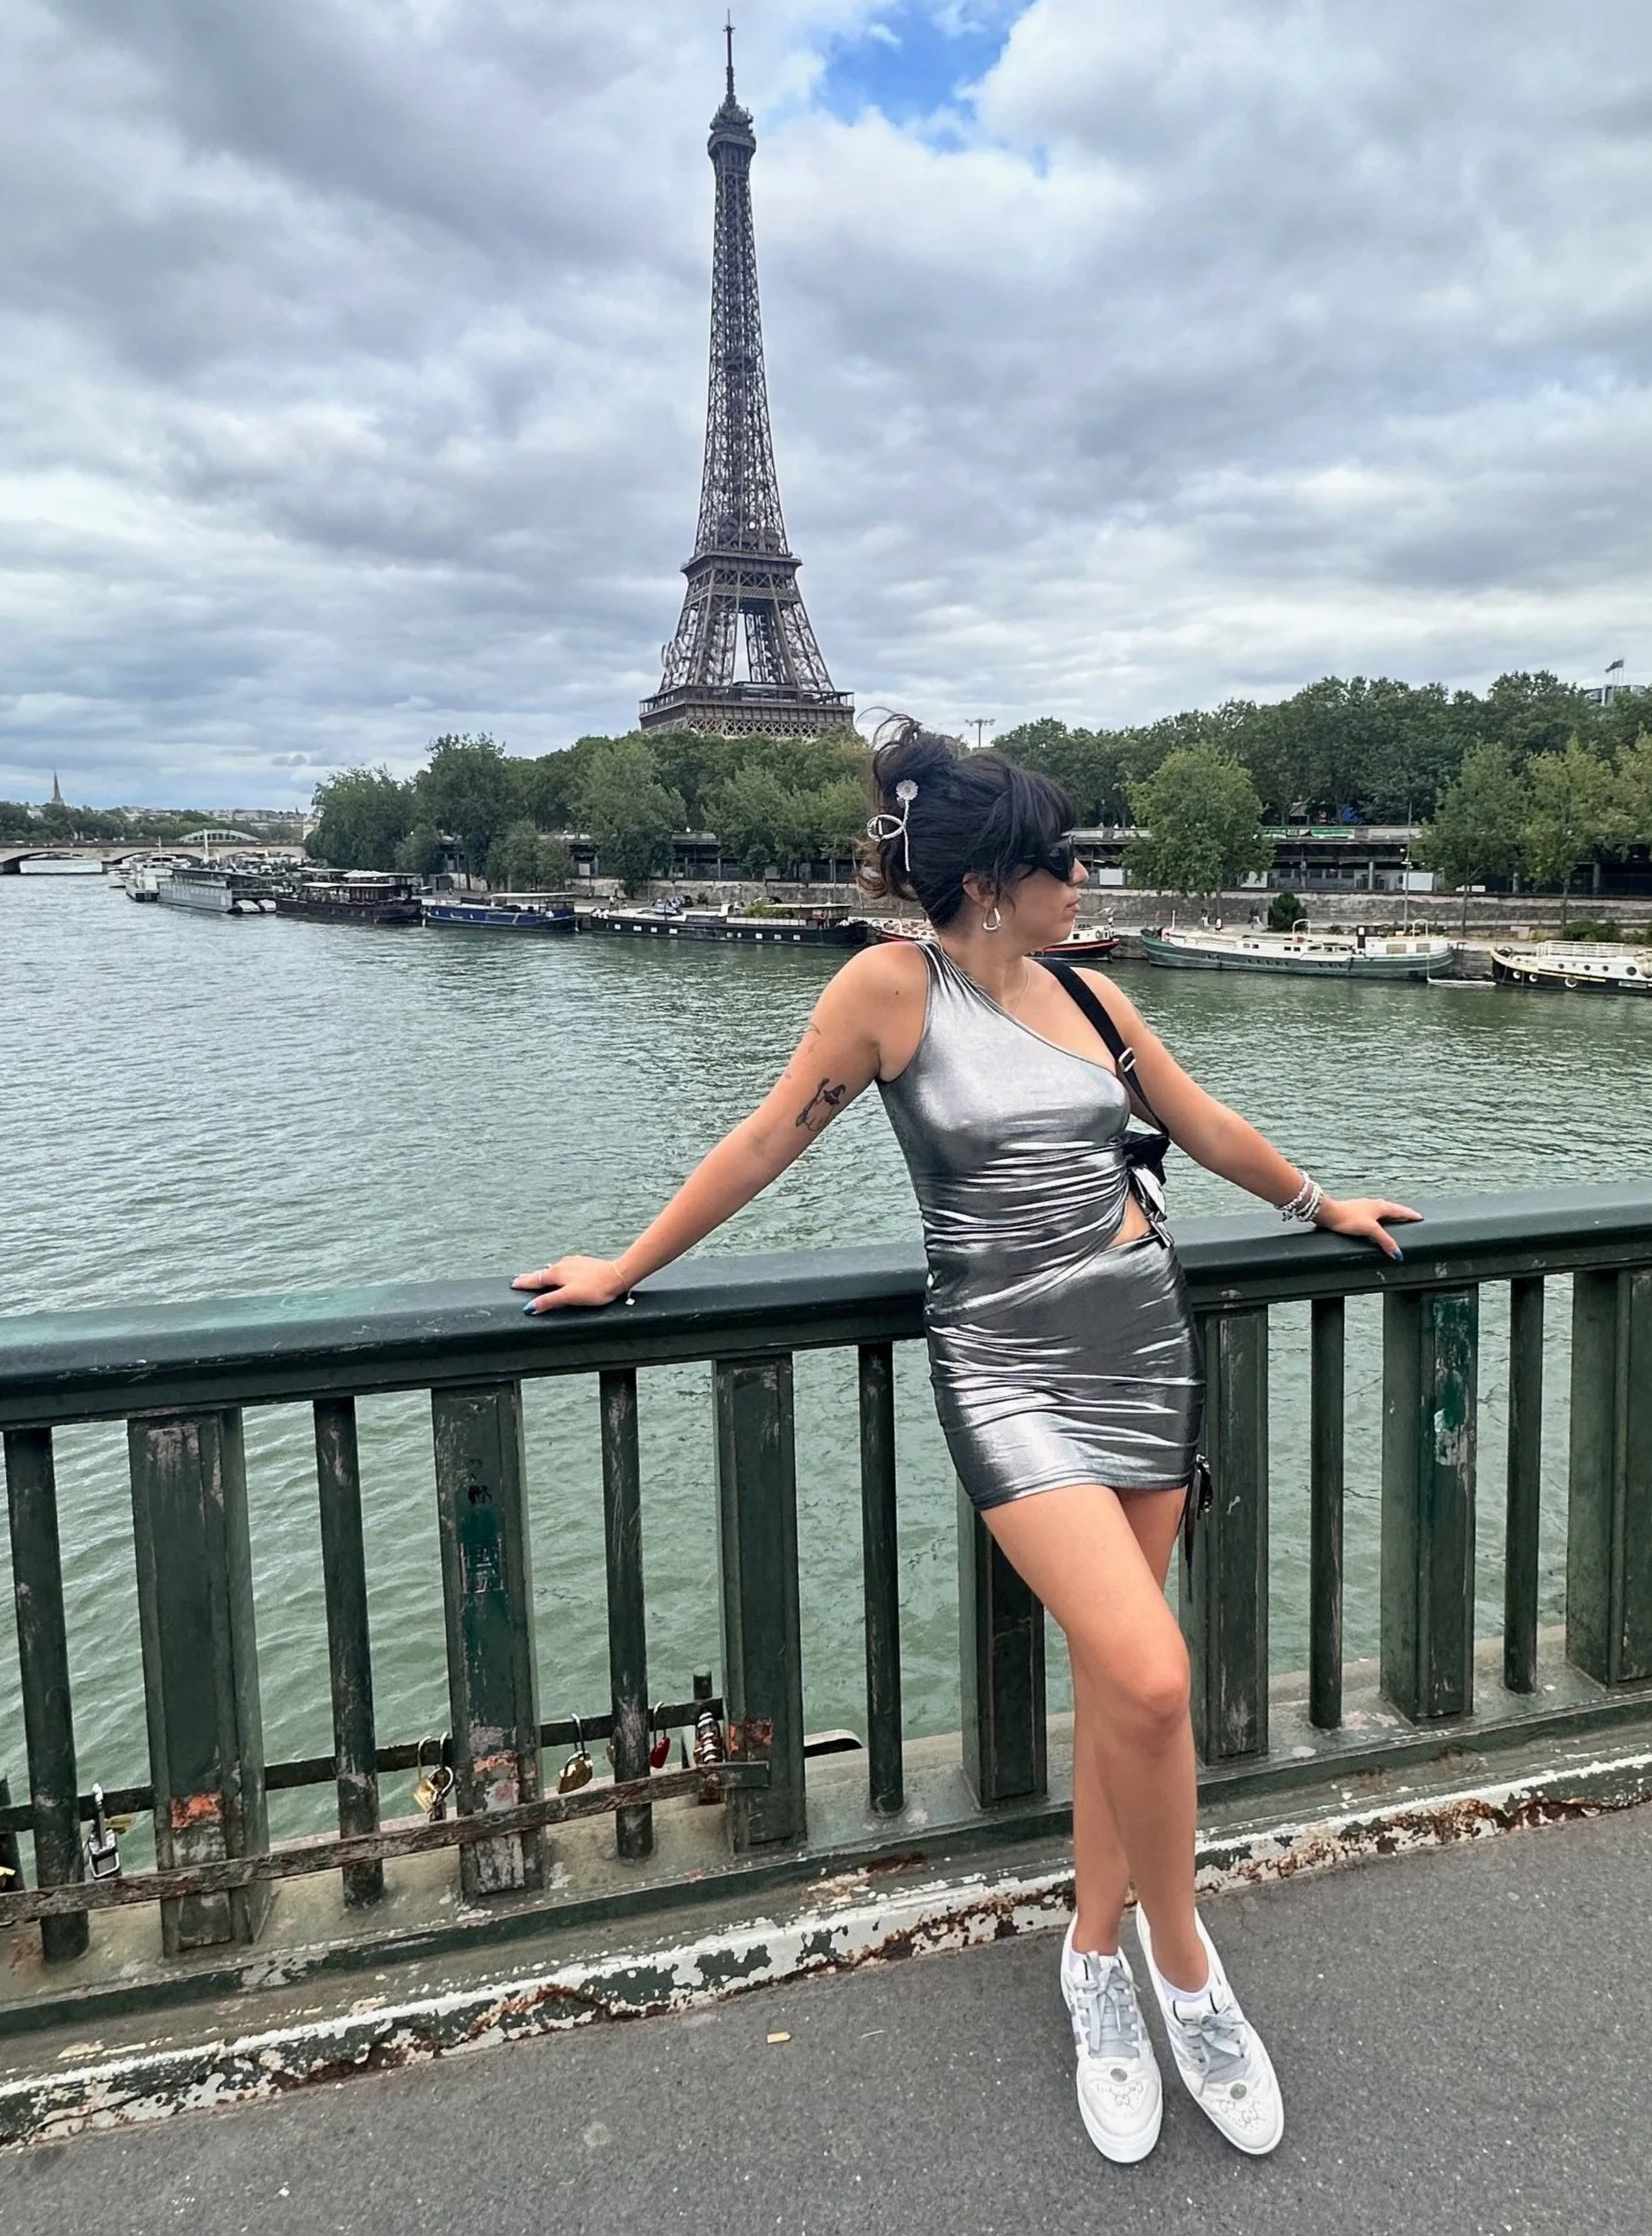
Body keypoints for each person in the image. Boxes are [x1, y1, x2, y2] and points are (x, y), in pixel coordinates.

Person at [516, 720, 1419, 2166]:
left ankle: (1091, 1959)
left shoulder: (1093, 997)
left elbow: (1198, 1123)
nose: (1084, 876)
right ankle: (1185, 1976)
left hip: (1141, 1349)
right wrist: (623, 1267)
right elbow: (764, 1137)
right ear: (993, 880)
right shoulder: (890, 988)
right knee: (1152, 1667)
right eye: (1064, 859)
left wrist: (1326, 1201)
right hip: (1005, 1368)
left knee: (1117, 1690)